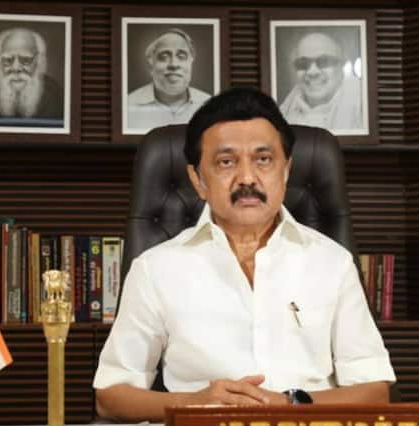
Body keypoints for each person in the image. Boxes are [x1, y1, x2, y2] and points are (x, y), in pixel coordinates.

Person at [94, 87, 395, 422]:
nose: (247, 178)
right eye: (226, 162)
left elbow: (374, 390)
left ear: (286, 170)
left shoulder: (332, 263)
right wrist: (195, 403)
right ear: (198, 179)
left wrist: (289, 405)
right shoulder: (155, 269)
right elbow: (111, 396)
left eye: (263, 159)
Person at [127, 28, 211, 131]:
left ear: (191, 62)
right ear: (150, 65)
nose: (174, 64)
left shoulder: (210, 105)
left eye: (181, 56)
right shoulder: (127, 106)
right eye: (164, 57)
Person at [279, 32, 363, 131]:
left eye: (324, 61)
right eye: (303, 63)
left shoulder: (362, 102)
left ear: (342, 65)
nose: (312, 72)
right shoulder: (287, 106)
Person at [0, 27, 64, 123]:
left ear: (38, 61)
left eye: (26, 60)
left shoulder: (54, 94)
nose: (16, 68)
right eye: (8, 60)